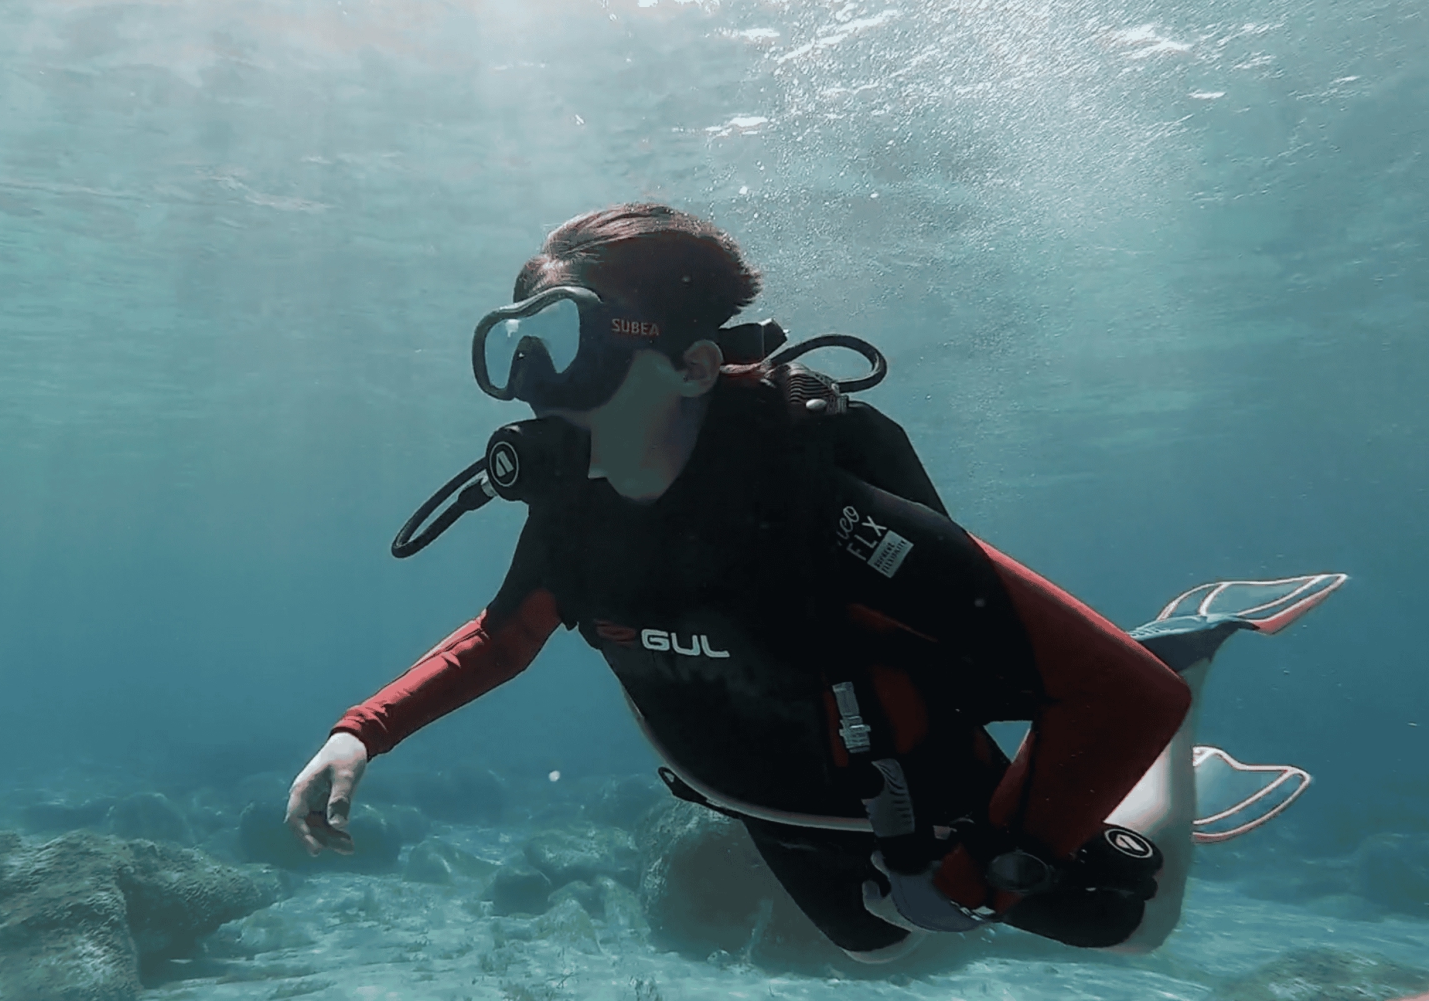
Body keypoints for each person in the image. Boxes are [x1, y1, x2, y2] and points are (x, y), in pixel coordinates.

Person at [284, 203, 1311, 961]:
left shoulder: (820, 514)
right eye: (518, 350)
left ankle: (1180, 694)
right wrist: (361, 731)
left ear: (693, 368)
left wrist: (976, 875)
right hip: (776, 805)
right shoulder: (574, 516)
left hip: (924, 799)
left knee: (1133, 924)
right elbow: (504, 635)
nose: (535, 393)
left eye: (572, 350)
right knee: (870, 944)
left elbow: (1128, 696)